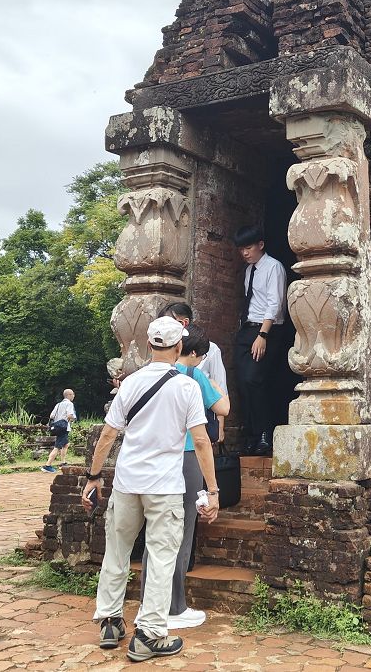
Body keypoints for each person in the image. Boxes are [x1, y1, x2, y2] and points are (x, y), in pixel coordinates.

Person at [82, 316, 220, 662]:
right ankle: (150, 634)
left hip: (128, 482)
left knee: (117, 550)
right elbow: (201, 442)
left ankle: (110, 621)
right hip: (165, 486)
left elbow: (108, 435)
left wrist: (94, 476)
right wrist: (213, 490)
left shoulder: (130, 384)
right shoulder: (186, 387)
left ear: (148, 345)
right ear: (178, 347)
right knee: (160, 558)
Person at [159, 326, 228, 630]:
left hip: (157, 456)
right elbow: (223, 407)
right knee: (183, 530)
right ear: (197, 354)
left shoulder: (152, 372)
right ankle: (175, 605)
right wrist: (213, 382)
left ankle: (154, 603)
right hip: (187, 454)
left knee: (156, 531)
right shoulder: (192, 375)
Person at [232, 224, 288, 456]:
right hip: (247, 330)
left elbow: (274, 303)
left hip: (267, 331)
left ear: (260, 245)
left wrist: (262, 335)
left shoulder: (273, 267)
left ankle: (265, 433)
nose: (244, 253)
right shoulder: (249, 270)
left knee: (255, 379)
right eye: (241, 249)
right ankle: (253, 435)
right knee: (242, 383)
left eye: (248, 247)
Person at [159, 302, 227, 396]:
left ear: (184, 323)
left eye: (167, 324)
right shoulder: (163, 346)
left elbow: (220, 385)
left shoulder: (211, 349)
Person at [42, 388, 76, 472]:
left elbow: (51, 416)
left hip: (57, 427)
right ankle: (47, 465)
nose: (74, 396)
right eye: (73, 394)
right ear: (69, 395)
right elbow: (69, 415)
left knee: (66, 444)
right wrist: (73, 418)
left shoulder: (58, 404)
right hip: (64, 427)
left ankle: (63, 462)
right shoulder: (69, 404)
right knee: (57, 447)